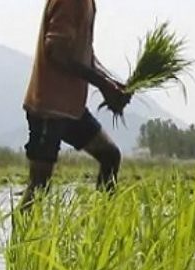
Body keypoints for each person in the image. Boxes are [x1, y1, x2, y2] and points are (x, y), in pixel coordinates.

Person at [20, 0, 132, 210]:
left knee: (110, 155)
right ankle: (19, 240)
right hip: (49, 107)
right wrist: (104, 85)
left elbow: (84, 54)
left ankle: (102, 225)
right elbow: (57, 51)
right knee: (39, 184)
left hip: (72, 108)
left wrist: (111, 83)